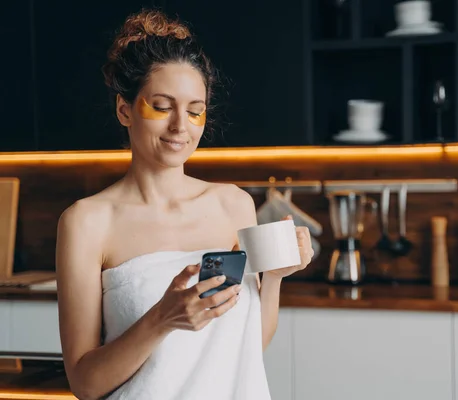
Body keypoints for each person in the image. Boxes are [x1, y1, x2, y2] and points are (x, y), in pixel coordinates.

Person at [55, 9, 313, 400]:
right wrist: (161, 319)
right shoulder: (87, 222)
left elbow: (243, 349)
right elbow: (85, 384)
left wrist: (275, 278)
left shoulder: (233, 205)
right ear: (125, 109)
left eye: (195, 111)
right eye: (162, 106)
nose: (181, 126)